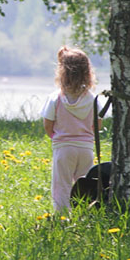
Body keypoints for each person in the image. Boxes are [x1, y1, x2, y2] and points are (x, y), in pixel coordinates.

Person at [41, 46, 101, 212]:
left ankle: (62, 215)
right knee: (85, 184)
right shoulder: (93, 99)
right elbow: (98, 125)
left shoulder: (55, 98)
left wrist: (56, 137)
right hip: (86, 148)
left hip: (64, 148)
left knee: (62, 184)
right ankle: (83, 212)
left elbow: (48, 124)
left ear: (62, 72)